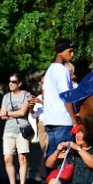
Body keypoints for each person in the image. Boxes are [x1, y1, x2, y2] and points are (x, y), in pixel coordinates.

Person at [40, 39, 77, 170]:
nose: (72, 55)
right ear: (60, 52)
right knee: (64, 157)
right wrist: (74, 120)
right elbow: (66, 96)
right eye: (70, 51)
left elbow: (44, 93)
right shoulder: (63, 71)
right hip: (62, 120)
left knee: (52, 156)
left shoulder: (50, 70)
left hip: (50, 120)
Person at [0, 71, 33, 184]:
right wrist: (9, 114)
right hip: (8, 130)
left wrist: (8, 114)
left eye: (14, 81)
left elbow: (23, 112)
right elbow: (1, 115)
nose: (11, 84)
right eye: (10, 81)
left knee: (22, 158)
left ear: (20, 83)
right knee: (7, 158)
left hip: (22, 130)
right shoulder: (6, 97)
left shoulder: (26, 95)